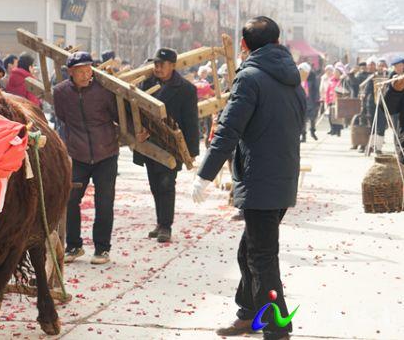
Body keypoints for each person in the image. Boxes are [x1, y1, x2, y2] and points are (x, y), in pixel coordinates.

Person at [192, 17, 303, 340]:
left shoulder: (250, 78)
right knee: (250, 252)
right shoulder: (291, 77)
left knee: (261, 257)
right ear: (277, 40)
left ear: (244, 45)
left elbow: (228, 129)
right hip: (282, 178)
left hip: (260, 180)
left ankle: (277, 326)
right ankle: (249, 312)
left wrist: (205, 175)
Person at [53, 52, 123, 265]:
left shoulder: (104, 90)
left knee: (104, 203)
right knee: (71, 200)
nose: (86, 74)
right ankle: (74, 246)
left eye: (88, 69)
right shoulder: (61, 92)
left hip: (106, 153)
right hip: (78, 155)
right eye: (80, 71)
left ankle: (102, 249)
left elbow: (117, 115)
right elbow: (62, 117)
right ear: (70, 72)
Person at [135, 48, 200, 243]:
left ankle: (166, 226)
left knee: (166, 185)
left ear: (172, 65)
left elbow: (191, 121)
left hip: (171, 145)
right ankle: (159, 221)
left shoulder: (186, 89)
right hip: (148, 143)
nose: (157, 68)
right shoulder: (145, 84)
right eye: (155, 64)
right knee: (155, 185)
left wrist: (191, 151)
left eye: (161, 64)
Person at [325, 66, 345, 136]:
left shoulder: (342, 81)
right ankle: (332, 129)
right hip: (331, 100)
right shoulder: (331, 81)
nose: (335, 74)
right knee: (331, 116)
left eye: (337, 73)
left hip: (339, 100)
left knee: (337, 116)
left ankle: (338, 130)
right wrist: (327, 101)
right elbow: (327, 91)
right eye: (335, 72)